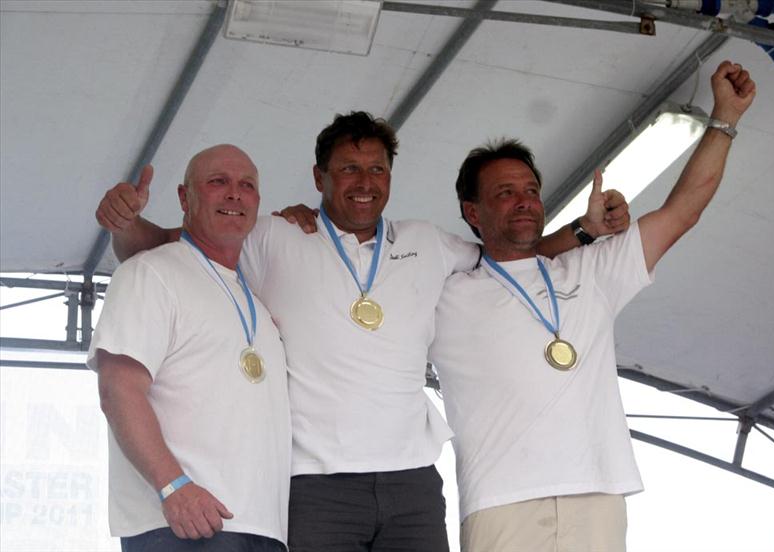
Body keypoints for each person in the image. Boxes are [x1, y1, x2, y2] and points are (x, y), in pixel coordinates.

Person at [95, 114, 629, 551]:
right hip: (315, 487)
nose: (365, 182)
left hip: (412, 483)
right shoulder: (274, 234)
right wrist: (123, 224)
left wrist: (583, 232)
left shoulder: (429, 243)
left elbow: (511, 258)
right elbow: (172, 245)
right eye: (348, 168)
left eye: (377, 169)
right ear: (318, 178)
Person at [429, 60, 756, 552]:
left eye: (532, 191)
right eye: (505, 193)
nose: (524, 201)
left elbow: (683, 211)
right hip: (501, 500)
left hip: (598, 495)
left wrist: (724, 120)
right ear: (472, 213)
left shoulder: (590, 271)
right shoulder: (443, 290)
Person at [88, 145, 291, 552]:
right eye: (218, 182)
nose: (235, 194)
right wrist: (173, 486)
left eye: (246, 185)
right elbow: (118, 389)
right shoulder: (150, 273)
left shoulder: (252, 295)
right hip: (181, 525)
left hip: (262, 530)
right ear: (185, 198)